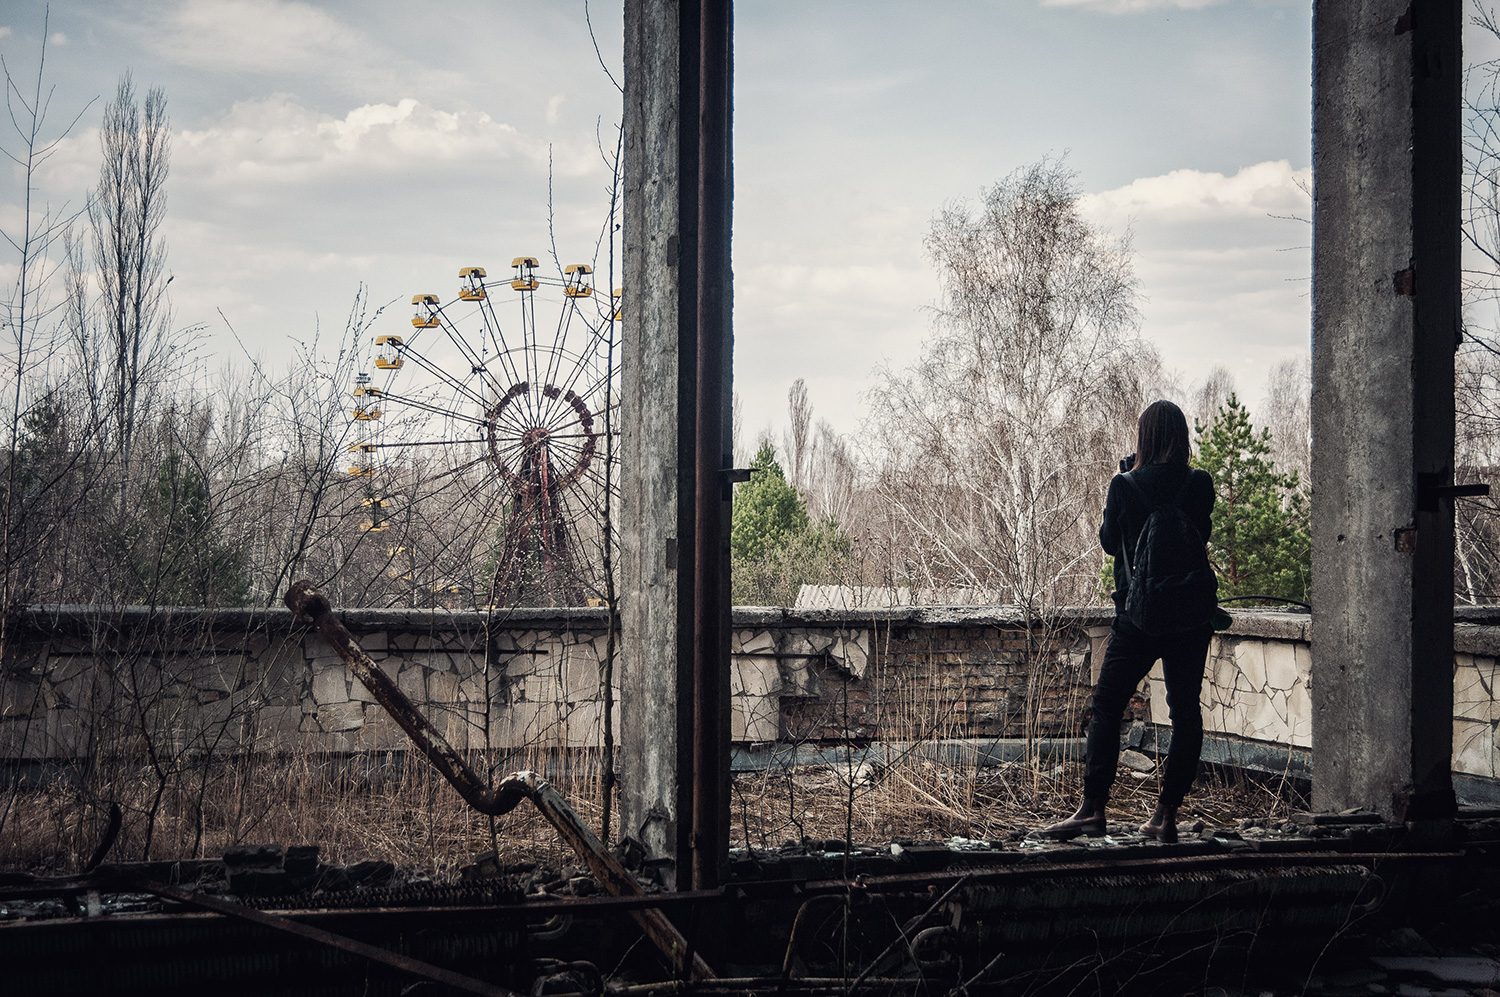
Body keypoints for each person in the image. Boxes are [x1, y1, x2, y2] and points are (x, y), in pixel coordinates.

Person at [1039, 399, 1216, 844]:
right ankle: (1165, 817)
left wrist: (1127, 482)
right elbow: (1201, 535)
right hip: (1192, 617)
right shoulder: (1200, 484)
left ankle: (1092, 810)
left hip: (1139, 616)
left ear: (1144, 437)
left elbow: (1108, 543)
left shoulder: (1125, 485)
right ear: (1181, 436)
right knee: (1186, 712)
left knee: (1106, 707)